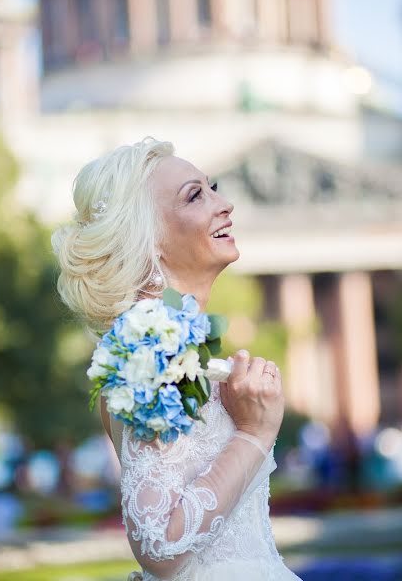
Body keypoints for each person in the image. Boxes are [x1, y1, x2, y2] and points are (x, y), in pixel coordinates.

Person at [52, 138, 299, 580]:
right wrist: (253, 433)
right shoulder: (152, 345)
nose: (225, 205)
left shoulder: (164, 341)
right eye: (195, 195)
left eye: (213, 188)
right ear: (150, 240)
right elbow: (158, 538)